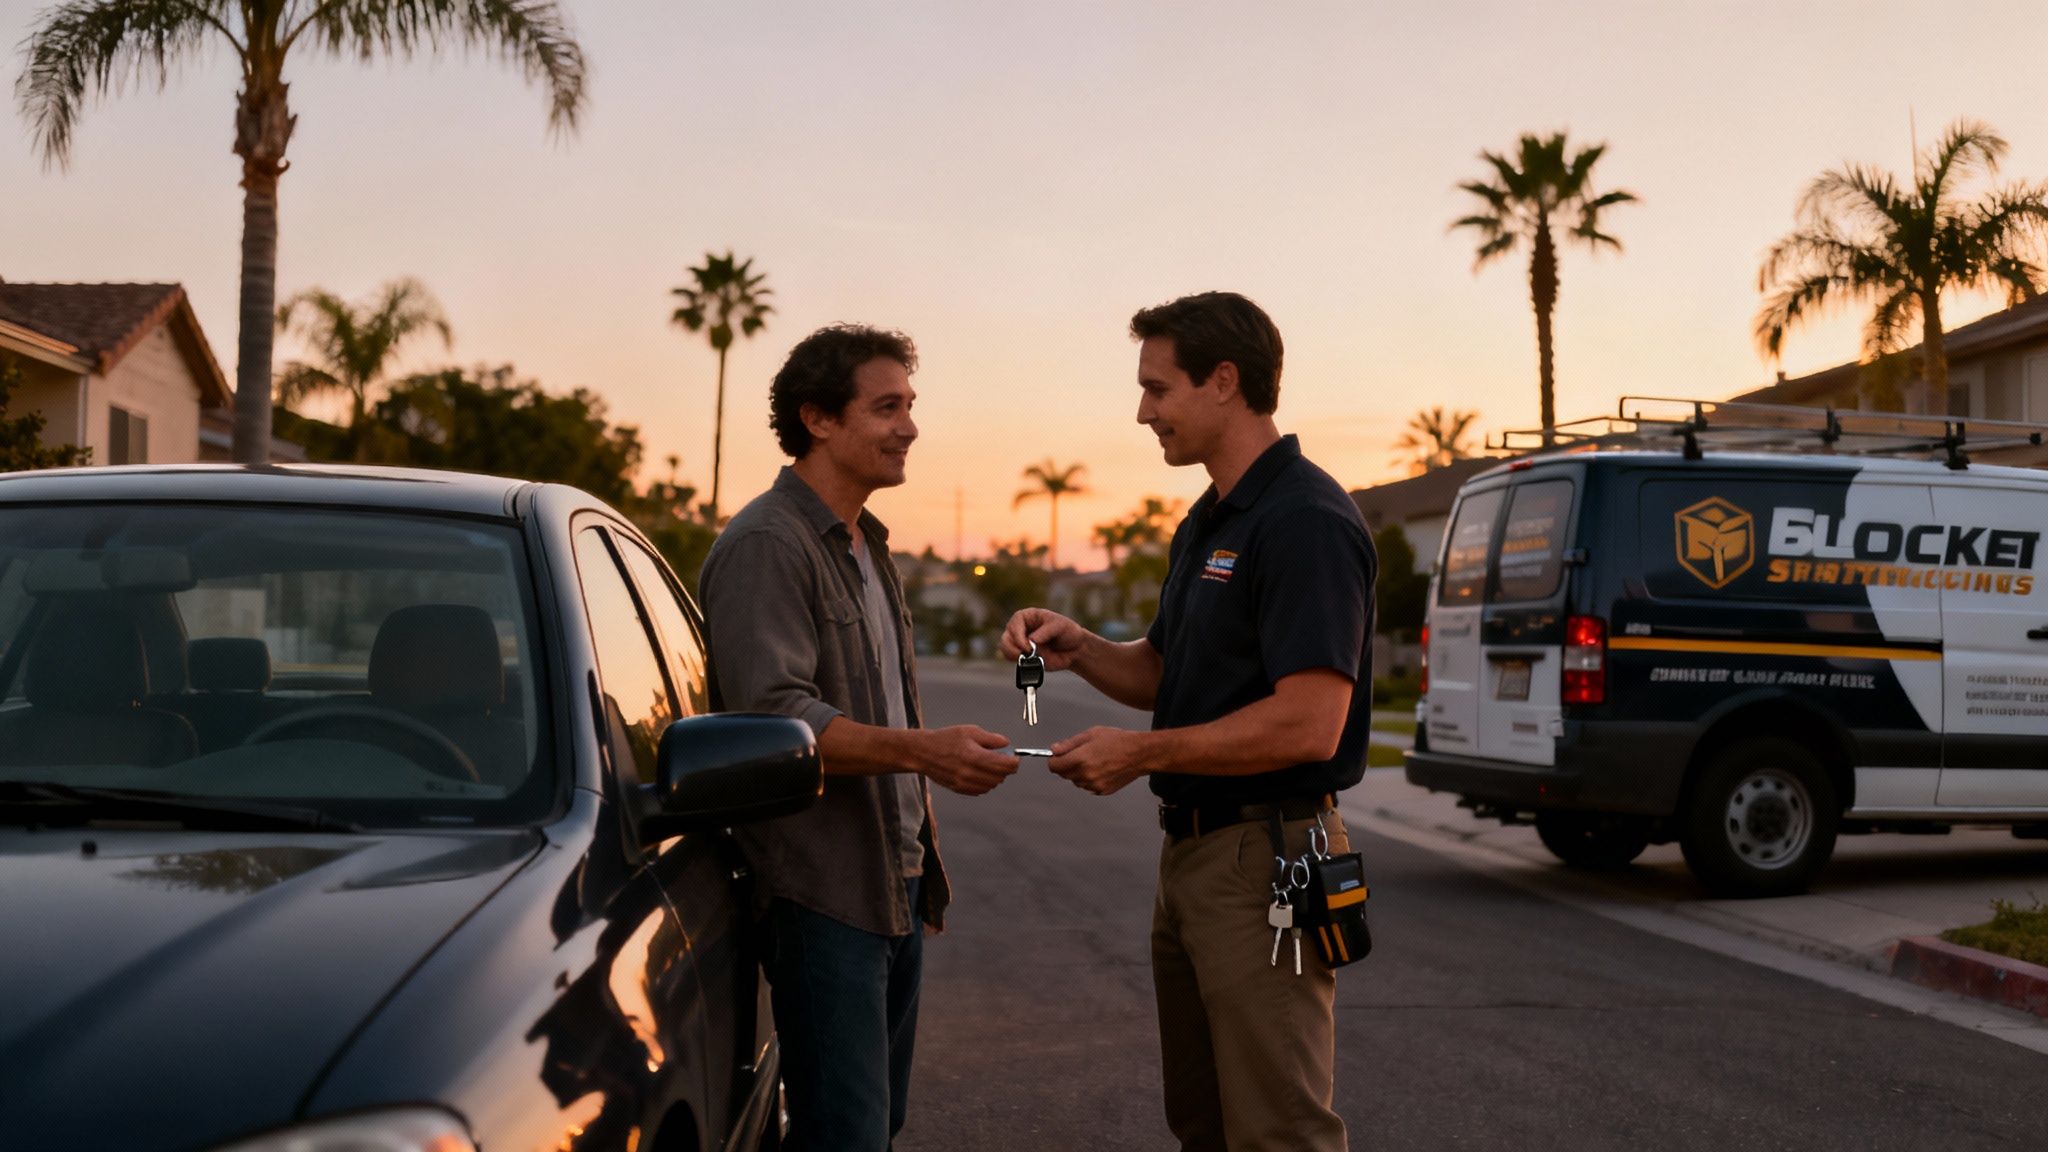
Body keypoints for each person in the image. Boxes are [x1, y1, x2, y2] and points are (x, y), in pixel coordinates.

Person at [1001, 292, 1376, 1152]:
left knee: (1278, 1131)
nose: (1143, 412)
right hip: (1197, 860)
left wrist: (1140, 753)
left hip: (1267, 861)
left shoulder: (1306, 522)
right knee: (1205, 1123)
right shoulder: (1207, 522)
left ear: (1223, 382)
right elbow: (1167, 675)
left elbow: (1309, 725)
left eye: (1158, 389)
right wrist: (1082, 646)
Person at [700, 323, 1020, 1152]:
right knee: (845, 1136)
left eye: (910, 405)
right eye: (886, 407)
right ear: (819, 418)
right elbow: (779, 723)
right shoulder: (769, 545)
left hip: (891, 888)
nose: (909, 425)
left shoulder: (868, 548)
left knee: (877, 1126)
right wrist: (928, 752)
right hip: (820, 896)